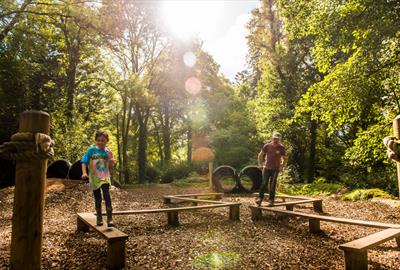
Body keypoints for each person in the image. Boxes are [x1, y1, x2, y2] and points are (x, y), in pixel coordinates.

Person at [81, 130, 116, 227]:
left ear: (106, 141)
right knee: (98, 198)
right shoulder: (91, 150)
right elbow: (83, 161)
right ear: (95, 141)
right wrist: (84, 173)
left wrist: (113, 161)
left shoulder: (108, 151)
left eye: (103, 140)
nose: (101, 142)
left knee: (107, 195)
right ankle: (99, 217)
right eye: (99, 140)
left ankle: (109, 218)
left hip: (105, 176)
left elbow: (111, 163)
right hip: (94, 178)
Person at [256, 131, 287, 206]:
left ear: (279, 139)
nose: (275, 140)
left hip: (275, 169)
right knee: (264, 183)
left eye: (277, 139)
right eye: (274, 138)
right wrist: (260, 164)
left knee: (272, 185)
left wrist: (282, 166)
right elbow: (260, 155)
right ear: (272, 138)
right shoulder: (267, 146)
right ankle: (260, 199)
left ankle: (271, 200)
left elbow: (285, 158)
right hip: (266, 168)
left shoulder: (281, 147)